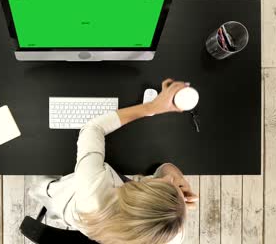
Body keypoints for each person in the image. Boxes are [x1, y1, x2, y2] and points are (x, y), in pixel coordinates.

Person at [29, 79, 199, 244]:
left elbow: (92, 128)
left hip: (66, 201)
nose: (170, 179)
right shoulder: (169, 234)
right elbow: (165, 168)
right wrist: (180, 183)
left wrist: (150, 107)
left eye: (167, 185)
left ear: (139, 197)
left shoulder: (94, 194)